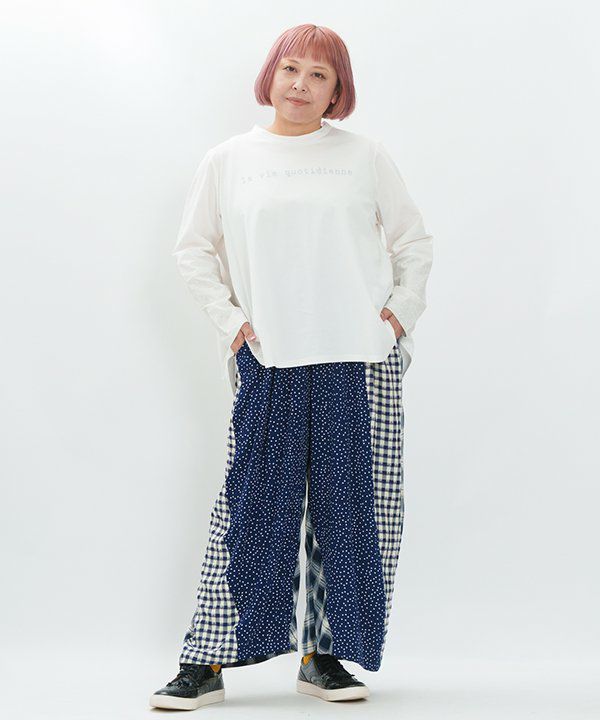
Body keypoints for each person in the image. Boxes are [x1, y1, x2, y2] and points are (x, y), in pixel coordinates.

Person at [150, 22, 433, 710]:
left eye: (318, 75)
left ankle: (324, 657)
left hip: (358, 358)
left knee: (355, 515)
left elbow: (413, 242)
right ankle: (206, 660)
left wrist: (397, 316)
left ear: (338, 91)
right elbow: (194, 249)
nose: (300, 85)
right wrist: (232, 325)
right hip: (270, 356)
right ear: (270, 75)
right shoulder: (229, 160)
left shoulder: (363, 156)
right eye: (290, 69)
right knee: (249, 511)